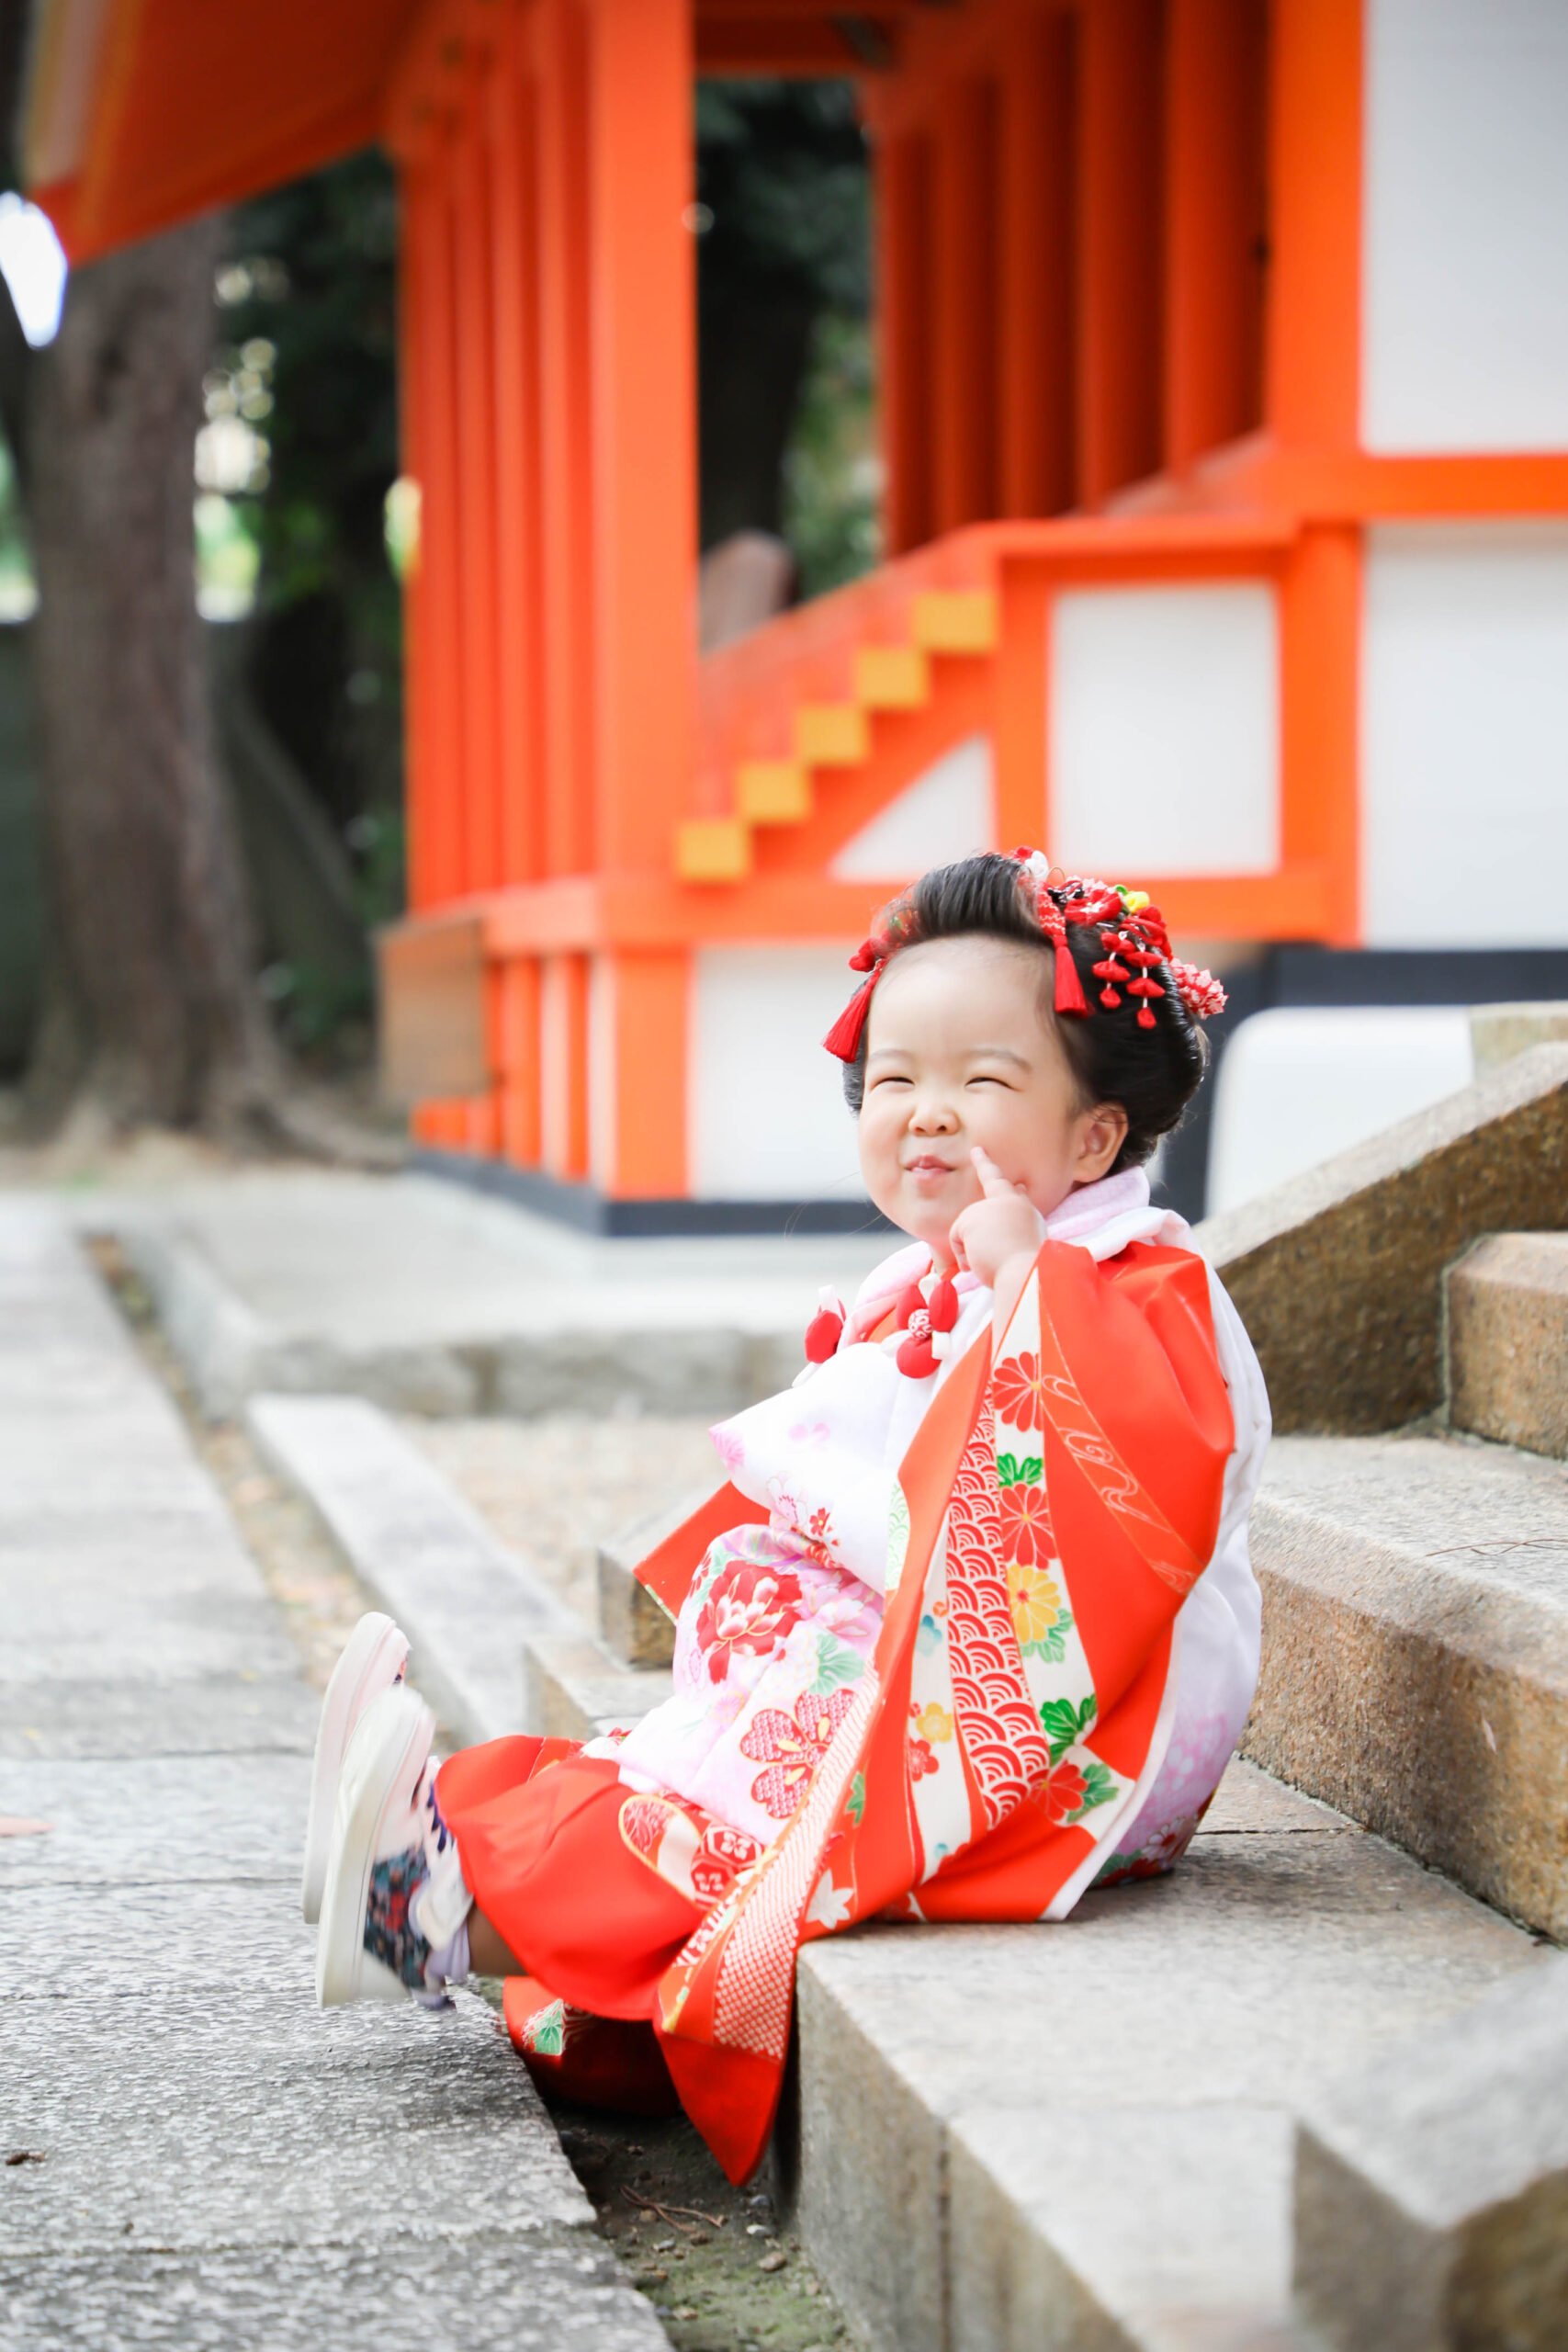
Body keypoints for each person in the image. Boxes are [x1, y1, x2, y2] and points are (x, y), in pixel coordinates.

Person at [303, 849, 1268, 2183]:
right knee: (673, 1759)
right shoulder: (936, 1272)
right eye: (895, 1081)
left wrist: (1025, 1292)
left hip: (1071, 1711)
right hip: (927, 1630)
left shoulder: (1134, 1287)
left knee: (747, 1796)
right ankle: (413, 1860)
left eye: (984, 1083)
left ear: (1096, 1136)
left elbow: (1123, 1500)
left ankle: (427, 1905)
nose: (928, 1116)